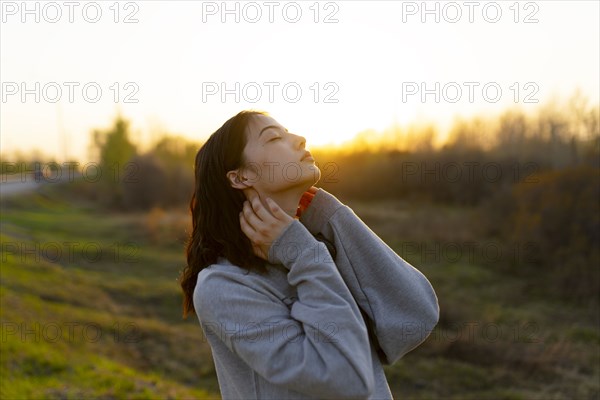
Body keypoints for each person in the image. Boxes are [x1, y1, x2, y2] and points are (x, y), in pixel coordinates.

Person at [178, 110, 440, 399]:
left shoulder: (317, 246)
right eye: (275, 137)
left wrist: (330, 215)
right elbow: (348, 380)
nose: (299, 139)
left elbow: (415, 318)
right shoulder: (224, 286)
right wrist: (301, 253)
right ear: (241, 176)